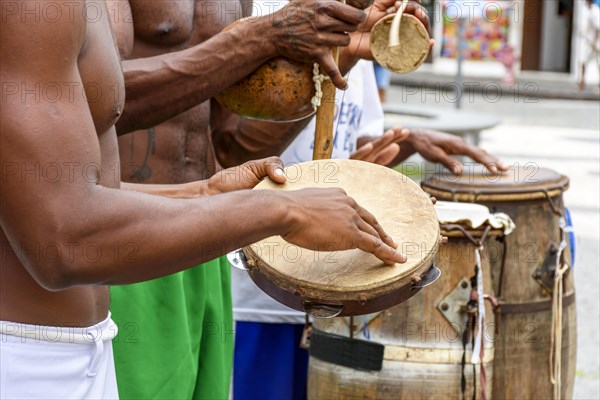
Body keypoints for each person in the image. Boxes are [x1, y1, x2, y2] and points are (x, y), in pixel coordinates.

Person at [0, 1, 408, 398]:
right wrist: (282, 210)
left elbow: (231, 146)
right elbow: (65, 237)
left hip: (176, 251)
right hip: (87, 292)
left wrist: (202, 193)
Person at [231, 7, 507, 400]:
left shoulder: (357, 52)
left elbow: (358, 155)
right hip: (262, 296)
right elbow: (232, 151)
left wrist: (407, 141)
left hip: (341, 291)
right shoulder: (269, 20)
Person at [579, 0, 600, 91]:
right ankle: (582, 82)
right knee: (584, 60)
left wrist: (595, 42)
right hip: (589, 42)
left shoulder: (595, 11)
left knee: (597, 62)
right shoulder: (587, 10)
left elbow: (598, 28)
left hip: (594, 43)